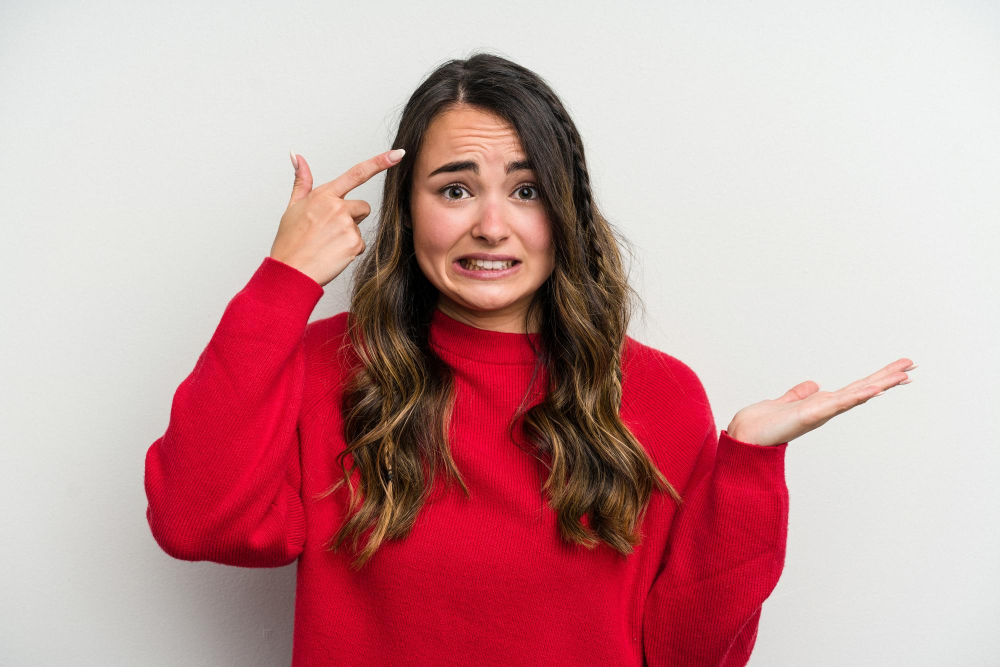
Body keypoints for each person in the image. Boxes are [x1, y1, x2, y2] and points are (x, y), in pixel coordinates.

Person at [143, 52, 915, 666]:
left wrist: (745, 465)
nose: (490, 224)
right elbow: (196, 521)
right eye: (454, 190)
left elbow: (686, 656)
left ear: (565, 212)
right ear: (407, 209)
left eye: (526, 189)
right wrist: (283, 283)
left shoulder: (657, 394)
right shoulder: (327, 365)